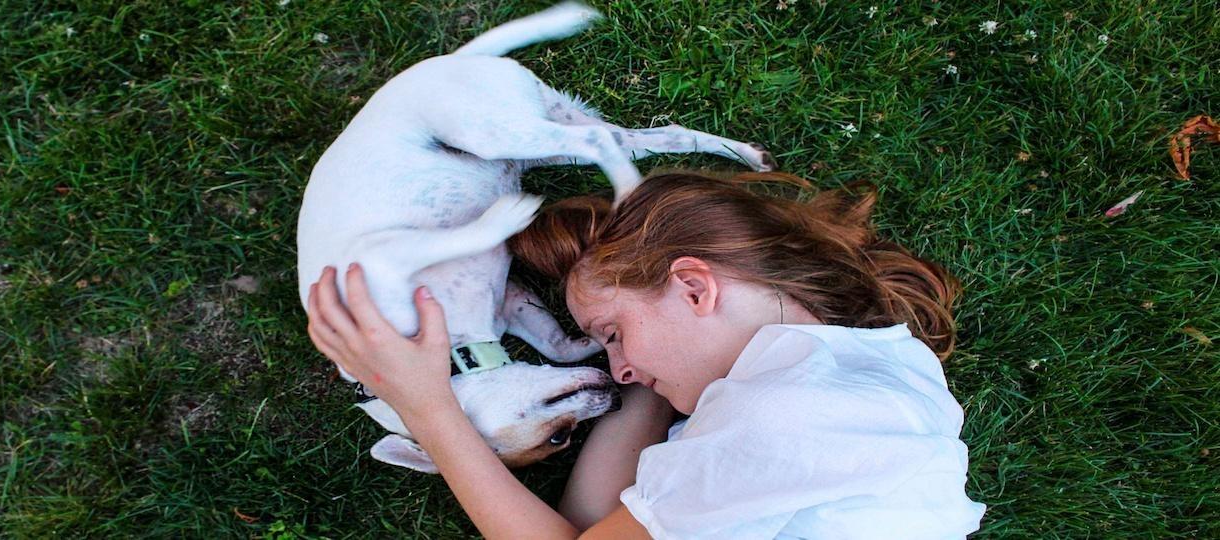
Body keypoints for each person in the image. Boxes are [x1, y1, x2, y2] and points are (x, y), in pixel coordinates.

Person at [305, 171, 987, 539]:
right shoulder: (859, 375)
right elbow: (592, 528)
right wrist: (651, 384)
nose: (617, 366)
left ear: (694, 287)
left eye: (612, 332)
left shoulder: (787, 414)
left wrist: (429, 410)